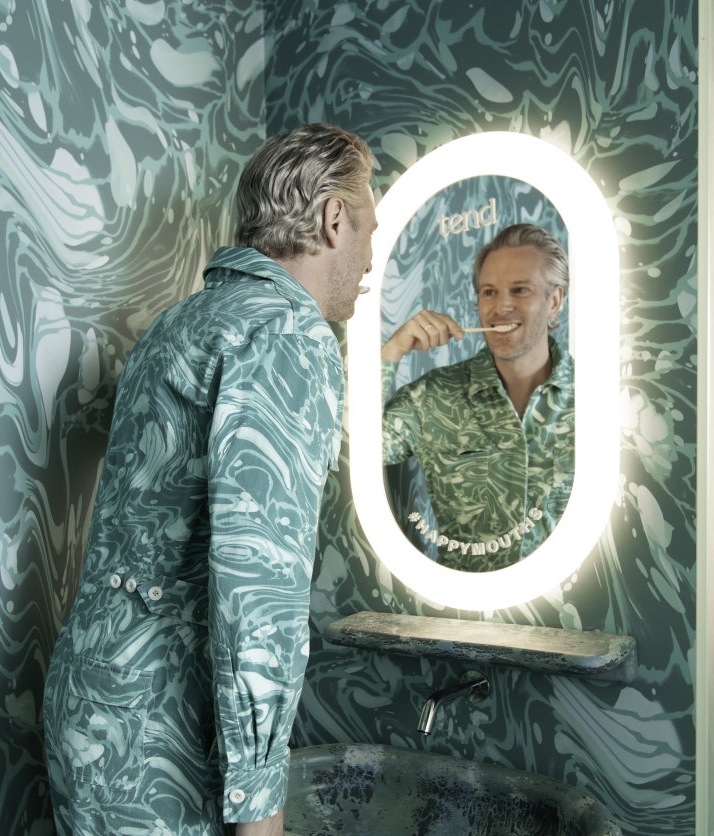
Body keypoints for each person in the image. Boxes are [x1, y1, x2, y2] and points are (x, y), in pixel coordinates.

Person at [42, 123, 376, 836]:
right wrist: (259, 799)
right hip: (168, 739)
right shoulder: (288, 335)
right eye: (369, 230)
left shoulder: (181, 323)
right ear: (334, 219)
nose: (371, 260)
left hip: (90, 702)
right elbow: (257, 588)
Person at [381, 223, 574, 572]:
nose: (501, 306)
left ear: (554, 301)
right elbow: (344, 448)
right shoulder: (432, 398)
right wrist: (391, 352)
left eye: (520, 290)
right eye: (489, 292)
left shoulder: (598, 401)